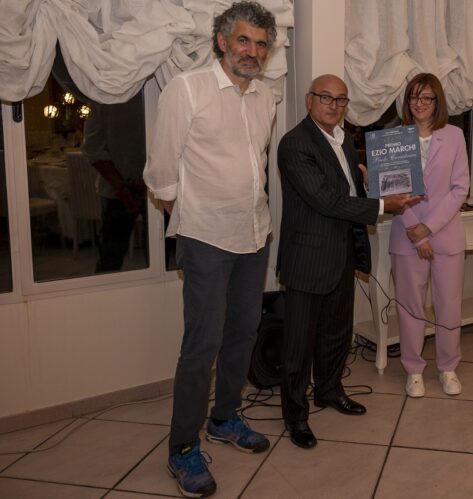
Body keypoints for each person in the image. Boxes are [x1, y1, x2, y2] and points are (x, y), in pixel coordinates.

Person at [143, 2, 277, 497]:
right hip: (205, 239)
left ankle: (224, 418)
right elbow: (161, 172)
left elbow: (256, 164)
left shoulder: (266, 97)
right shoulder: (187, 89)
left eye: (261, 44)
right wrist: (191, 219)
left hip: (254, 234)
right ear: (222, 41)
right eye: (243, 40)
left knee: (243, 333)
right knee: (202, 344)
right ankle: (183, 447)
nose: (252, 51)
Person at [277, 74, 419, 449]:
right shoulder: (295, 143)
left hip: (342, 252)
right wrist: (383, 205)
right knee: (298, 344)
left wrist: (373, 186)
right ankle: (295, 415)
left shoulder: (345, 140)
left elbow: (348, 192)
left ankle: (329, 390)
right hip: (307, 258)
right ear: (309, 100)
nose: (334, 105)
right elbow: (325, 200)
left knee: (336, 333)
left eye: (341, 99)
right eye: (326, 97)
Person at [389, 73, 469, 397]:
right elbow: (391, 191)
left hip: (446, 235)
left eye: (426, 97)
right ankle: (413, 370)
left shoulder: (455, 136)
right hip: (406, 235)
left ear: (437, 102)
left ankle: (448, 367)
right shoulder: (395, 138)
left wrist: (430, 228)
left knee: (448, 305)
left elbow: (460, 188)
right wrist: (418, 234)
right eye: (413, 97)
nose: (419, 103)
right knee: (410, 308)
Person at [81, 98, 146, 272]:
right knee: (111, 259)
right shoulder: (103, 96)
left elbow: (92, 147)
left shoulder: (103, 97)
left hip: (149, 189)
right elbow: (92, 148)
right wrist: (121, 187)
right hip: (117, 190)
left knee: (163, 257)